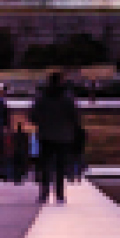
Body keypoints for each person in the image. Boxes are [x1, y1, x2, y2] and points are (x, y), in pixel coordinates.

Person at [29, 71, 84, 202]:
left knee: (45, 166)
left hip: (45, 135)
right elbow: (75, 117)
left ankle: (44, 194)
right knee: (60, 167)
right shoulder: (68, 98)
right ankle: (59, 195)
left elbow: (33, 117)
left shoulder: (41, 97)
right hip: (64, 136)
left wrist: (43, 123)